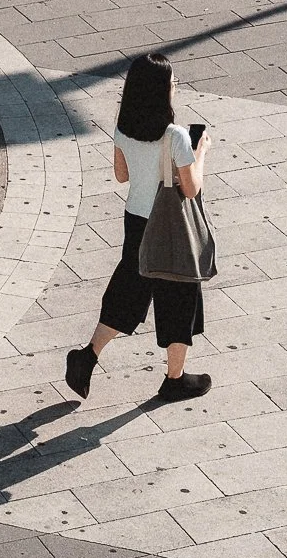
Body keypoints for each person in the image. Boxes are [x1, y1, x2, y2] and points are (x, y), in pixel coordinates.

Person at [65, 52, 211, 404]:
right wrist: (201, 150)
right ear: (161, 91)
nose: (175, 87)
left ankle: (87, 356)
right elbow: (191, 189)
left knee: (130, 289)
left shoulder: (123, 127)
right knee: (180, 295)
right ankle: (173, 380)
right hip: (170, 224)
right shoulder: (175, 136)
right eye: (173, 83)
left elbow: (122, 175)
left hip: (136, 221)